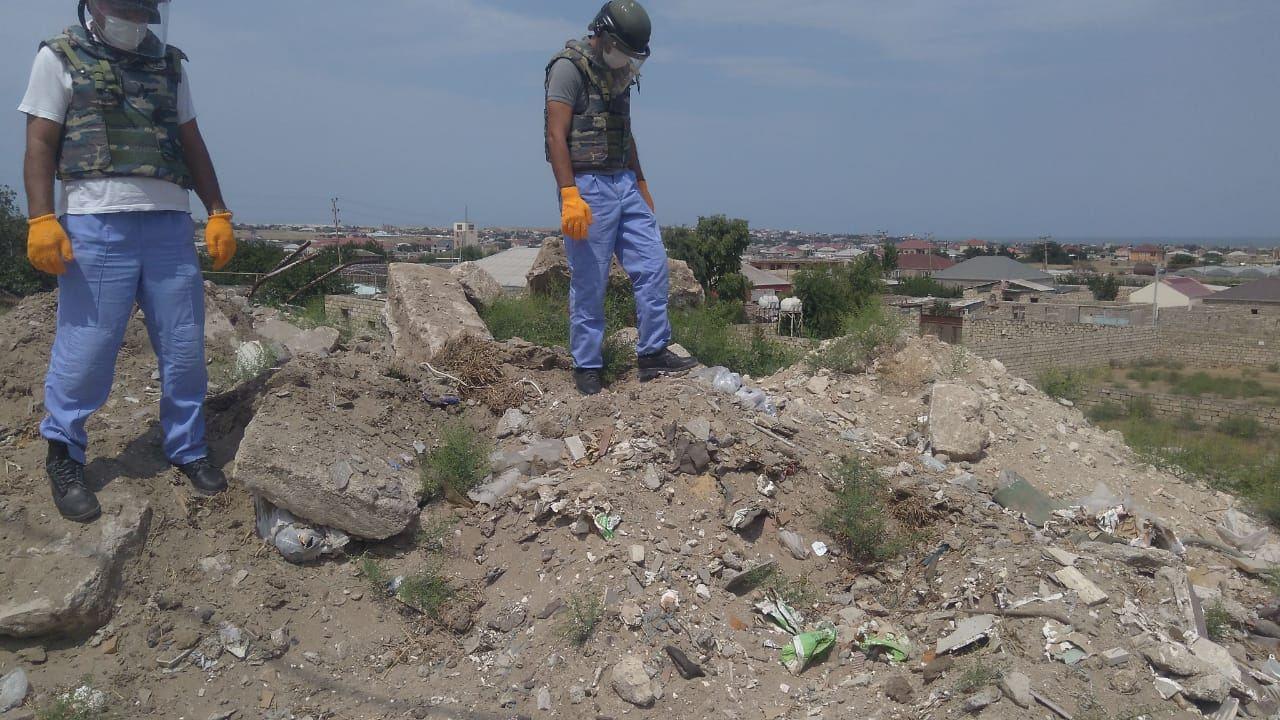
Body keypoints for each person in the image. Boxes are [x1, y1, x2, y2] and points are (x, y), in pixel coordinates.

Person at [21, 0, 235, 522]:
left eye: (144, 10)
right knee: (88, 346)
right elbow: (41, 141)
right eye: (127, 8)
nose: (136, 19)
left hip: (169, 224)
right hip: (95, 223)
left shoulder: (169, 64)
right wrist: (41, 218)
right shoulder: (60, 56)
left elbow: (190, 139)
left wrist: (217, 210)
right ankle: (64, 454)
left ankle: (187, 446)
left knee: (184, 346)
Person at [545, 0, 697, 396]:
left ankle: (653, 352)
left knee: (653, 264)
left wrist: (641, 182)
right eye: (623, 50)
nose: (627, 59)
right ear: (604, 36)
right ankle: (587, 365)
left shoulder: (622, 73)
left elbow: (623, 132)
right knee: (590, 279)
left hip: (624, 181)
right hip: (587, 186)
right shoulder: (568, 68)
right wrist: (568, 193)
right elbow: (555, 135)